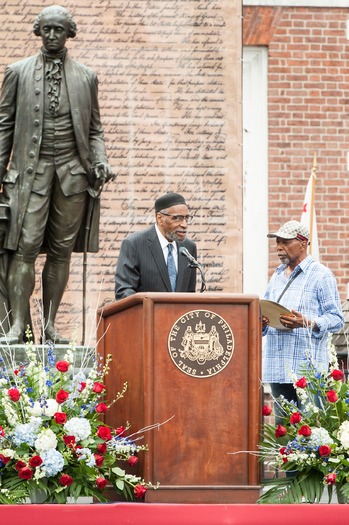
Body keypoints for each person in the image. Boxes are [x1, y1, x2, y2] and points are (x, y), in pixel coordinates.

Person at [0, 5, 114, 344]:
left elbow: (94, 130)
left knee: (62, 252)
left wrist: (100, 161)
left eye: (58, 30)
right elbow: (4, 126)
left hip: (71, 176)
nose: (52, 35)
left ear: (69, 34)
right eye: (46, 29)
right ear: (38, 31)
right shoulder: (17, 72)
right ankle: (17, 326)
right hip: (29, 177)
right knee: (25, 249)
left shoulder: (86, 77)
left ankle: (49, 326)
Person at [262, 220, 344, 418]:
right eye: (277, 242)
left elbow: (336, 319)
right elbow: (265, 310)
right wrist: (263, 321)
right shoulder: (277, 276)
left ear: (303, 243)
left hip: (307, 372)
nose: (279, 247)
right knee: (284, 435)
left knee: (310, 433)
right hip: (277, 366)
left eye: (285, 242)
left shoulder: (321, 275)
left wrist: (306, 322)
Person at [115, 192, 197, 299]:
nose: (184, 224)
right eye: (177, 218)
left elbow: (190, 294)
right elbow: (124, 291)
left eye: (186, 218)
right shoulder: (134, 244)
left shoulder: (189, 248)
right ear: (160, 218)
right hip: (146, 315)